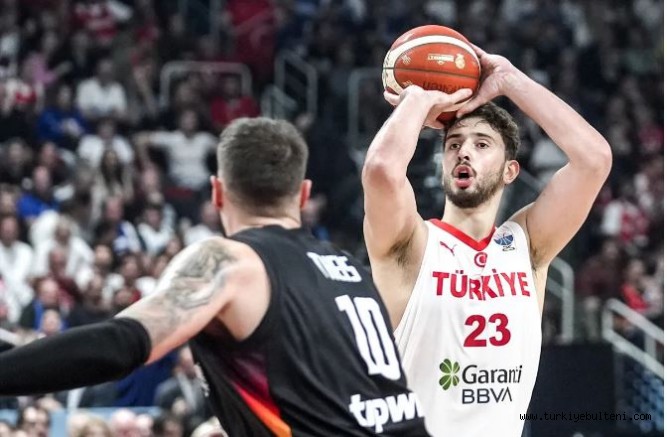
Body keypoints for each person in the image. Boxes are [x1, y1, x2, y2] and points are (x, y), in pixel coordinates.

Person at [0, 117, 429, 436]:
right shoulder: (349, 269)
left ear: (218, 192)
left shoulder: (232, 262)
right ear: (302, 195)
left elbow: (122, 344)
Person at [362, 44, 612, 436]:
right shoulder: (411, 243)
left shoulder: (526, 244)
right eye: (454, 144)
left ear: (511, 171)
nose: (464, 152)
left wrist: (511, 81)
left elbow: (594, 160)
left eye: (481, 144)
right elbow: (381, 170)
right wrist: (418, 101)